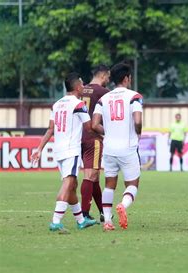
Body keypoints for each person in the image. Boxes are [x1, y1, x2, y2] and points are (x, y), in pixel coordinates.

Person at [31, 72, 98, 232]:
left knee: (72, 186)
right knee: (68, 184)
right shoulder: (79, 104)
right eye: (82, 84)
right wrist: (103, 131)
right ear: (76, 87)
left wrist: (39, 149)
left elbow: (50, 129)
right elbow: (89, 127)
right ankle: (55, 220)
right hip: (71, 150)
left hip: (59, 151)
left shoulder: (57, 104)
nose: (84, 86)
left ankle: (81, 221)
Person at [91, 62, 143, 231]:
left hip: (109, 148)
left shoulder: (103, 99)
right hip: (128, 148)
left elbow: (94, 124)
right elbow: (137, 121)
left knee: (109, 185)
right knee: (132, 184)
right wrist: (138, 132)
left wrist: (109, 131)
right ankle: (123, 205)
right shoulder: (134, 96)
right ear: (127, 78)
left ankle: (107, 221)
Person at [80, 64, 110, 222]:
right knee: (90, 175)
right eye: (108, 77)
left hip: (80, 136)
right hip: (94, 137)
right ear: (104, 76)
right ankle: (83, 215)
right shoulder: (103, 92)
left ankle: (103, 212)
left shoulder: (82, 89)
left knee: (95, 177)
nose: (108, 81)